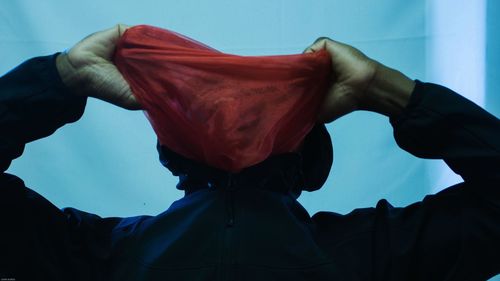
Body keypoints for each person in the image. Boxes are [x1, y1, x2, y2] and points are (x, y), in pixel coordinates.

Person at [0, 24, 499, 281]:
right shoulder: (375, 254)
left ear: (169, 155)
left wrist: (64, 76)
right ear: (312, 163)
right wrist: (386, 89)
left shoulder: (100, 256)